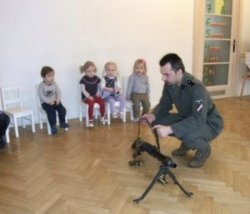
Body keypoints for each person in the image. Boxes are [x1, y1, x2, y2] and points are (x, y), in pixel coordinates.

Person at [142, 53, 223, 168]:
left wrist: (170, 129)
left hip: (209, 122)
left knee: (188, 136)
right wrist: (153, 115)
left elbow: (198, 119)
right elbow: (165, 103)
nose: (163, 78)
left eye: (166, 74)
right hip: (188, 117)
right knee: (157, 121)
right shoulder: (170, 82)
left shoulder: (195, 87)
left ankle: (203, 148)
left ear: (179, 72)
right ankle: (188, 142)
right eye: (162, 74)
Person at [38, 66, 69, 135]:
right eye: (49, 76)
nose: (52, 77)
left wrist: (58, 99)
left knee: (62, 109)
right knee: (51, 112)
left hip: (55, 101)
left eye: (53, 75)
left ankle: (62, 122)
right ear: (43, 77)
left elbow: (58, 92)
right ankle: (53, 126)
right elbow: (41, 96)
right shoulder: (41, 86)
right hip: (46, 103)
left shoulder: (55, 84)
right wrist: (49, 101)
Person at [79, 61, 106, 127]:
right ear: (85, 71)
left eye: (93, 71)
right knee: (91, 103)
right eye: (89, 71)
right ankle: (90, 119)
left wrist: (98, 93)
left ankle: (102, 116)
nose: (91, 73)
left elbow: (99, 87)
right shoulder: (83, 79)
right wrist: (88, 96)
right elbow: (83, 90)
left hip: (95, 95)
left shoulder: (96, 78)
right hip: (86, 98)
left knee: (102, 102)